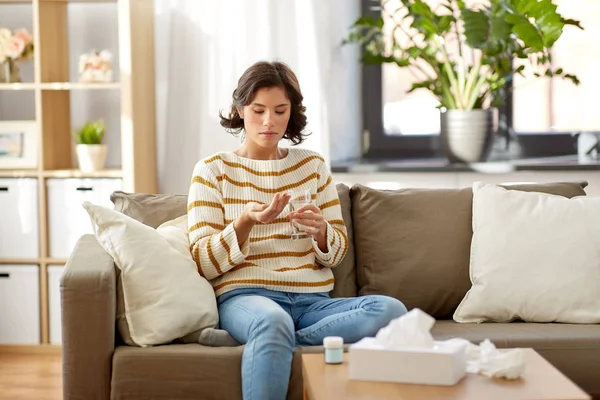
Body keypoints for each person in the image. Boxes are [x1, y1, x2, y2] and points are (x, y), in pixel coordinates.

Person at [187, 60, 407, 400]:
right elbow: (202, 262)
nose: (269, 121)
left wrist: (321, 232)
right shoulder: (212, 171)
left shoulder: (312, 166)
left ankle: (268, 341)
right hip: (248, 297)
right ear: (239, 109)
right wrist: (244, 223)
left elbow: (335, 253)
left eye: (280, 110)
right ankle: (268, 333)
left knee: (392, 311)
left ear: (292, 112)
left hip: (312, 303)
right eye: (258, 110)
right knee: (271, 321)